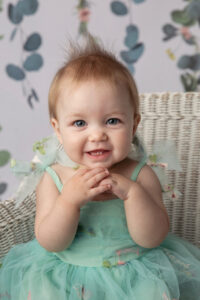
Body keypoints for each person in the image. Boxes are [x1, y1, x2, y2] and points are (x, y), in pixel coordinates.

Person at [0, 37, 200, 300]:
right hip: (66, 278)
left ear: (134, 125)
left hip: (133, 276)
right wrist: (69, 202)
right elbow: (50, 241)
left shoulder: (140, 175)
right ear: (58, 130)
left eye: (112, 121)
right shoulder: (54, 178)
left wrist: (132, 195)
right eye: (80, 123)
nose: (97, 135)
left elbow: (151, 238)